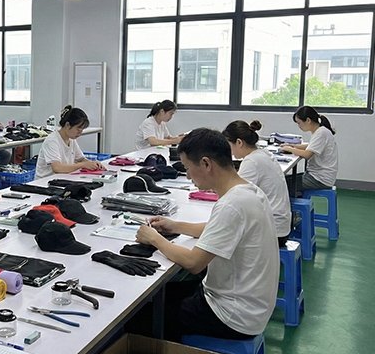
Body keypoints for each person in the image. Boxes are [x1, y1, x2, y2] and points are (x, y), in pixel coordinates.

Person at [135, 128, 279, 340]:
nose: (187, 175)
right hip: (251, 305)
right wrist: (175, 226)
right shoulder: (249, 191)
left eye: (187, 168)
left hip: (232, 315)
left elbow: (193, 263)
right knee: (165, 293)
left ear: (206, 164)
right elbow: (219, 228)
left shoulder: (232, 204)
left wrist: (154, 238)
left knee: (141, 315)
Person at [223, 119, 292, 246]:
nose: (229, 151)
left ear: (239, 142)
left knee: (223, 234)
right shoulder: (264, 153)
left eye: (229, 145)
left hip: (273, 231)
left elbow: (234, 194)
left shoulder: (251, 161)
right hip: (281, 226)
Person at [280, 105, 338, 194]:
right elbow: (310, 146)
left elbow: (307, 154)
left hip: (319, 179)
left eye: (299, 123)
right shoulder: (321, 131)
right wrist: (292, 145)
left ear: (308, 120)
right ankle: (295, 197)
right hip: (318, 176)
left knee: (281, 183)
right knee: (283, 180)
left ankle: (292, 200)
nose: (299, 126)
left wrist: (289, 149)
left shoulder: (321, 133)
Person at [35, 106, 103, 178]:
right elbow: (57, 168)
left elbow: (80, 159)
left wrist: (92, 164)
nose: (80, 133)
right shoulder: (52, 141)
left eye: (82, 130)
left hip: (62, 178)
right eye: (78, 129)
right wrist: (83, 165)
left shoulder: (71, 139)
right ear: (67, 125)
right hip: (46, 182)